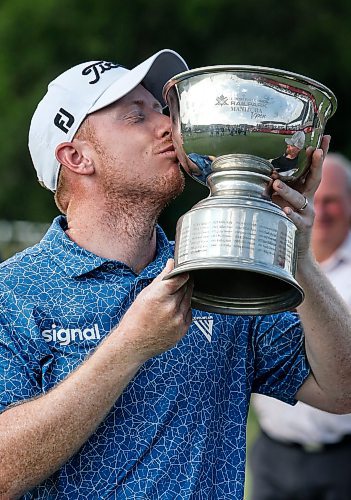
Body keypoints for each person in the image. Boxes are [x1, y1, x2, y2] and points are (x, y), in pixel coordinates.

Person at [0, 50, 351, 500]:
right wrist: (129, 346)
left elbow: (341, 391)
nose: (168, 125)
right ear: (77, 157)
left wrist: (296, 252)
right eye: (135, 117)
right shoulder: (13, 293)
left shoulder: (218, 273)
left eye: (162, 110)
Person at [250, 152, 351, 500]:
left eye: (333, 201)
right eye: (315, 200)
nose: (322, 211)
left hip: (342, 460)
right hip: (273, 454)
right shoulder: (263, 261)